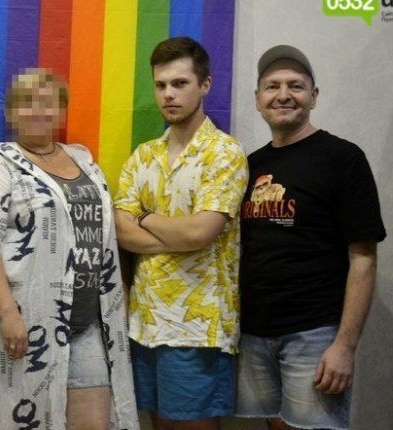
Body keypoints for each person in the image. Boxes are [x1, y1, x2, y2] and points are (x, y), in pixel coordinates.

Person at [0, 68, 139, 430]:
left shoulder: (85, 162)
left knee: (95, 424)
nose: (38, 110)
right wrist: (9, 313)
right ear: (11, 113)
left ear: (61, 111)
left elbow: (105, 233)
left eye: (48, 102)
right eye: (27, 102)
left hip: (89, 322)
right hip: (26, 325)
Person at [235, 45, 386, 430]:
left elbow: (364, 258)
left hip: (314, 334)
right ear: (257, 99)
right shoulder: (250, 166)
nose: (283, 94)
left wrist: (345, 347)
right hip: (254, 334)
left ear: (314, 96)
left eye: (296, 86)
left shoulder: (344, 159)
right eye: (272, 86)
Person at [114, 37, 248, 430]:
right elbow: (120, 230)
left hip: (198, 326)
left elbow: (200, 232)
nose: (169, 94)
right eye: (161, 85)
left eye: (180, 83)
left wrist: (145, 217)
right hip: (145, 322)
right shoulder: (143, 155)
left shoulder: (224, 152)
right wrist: (173, 231)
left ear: (205, 85)